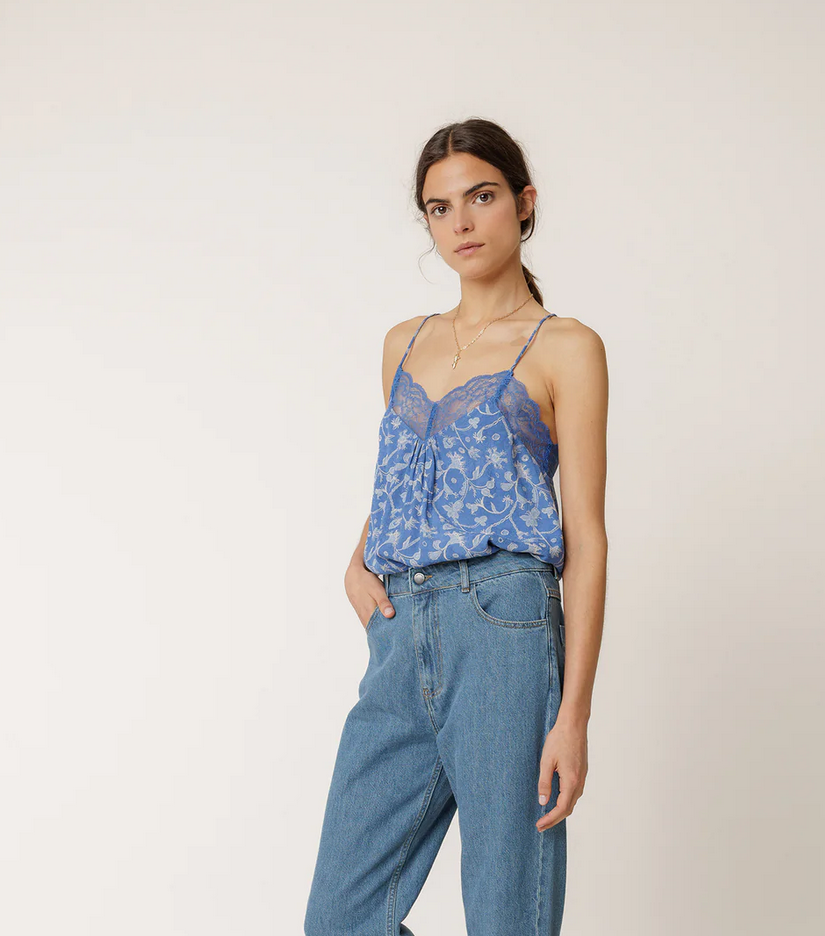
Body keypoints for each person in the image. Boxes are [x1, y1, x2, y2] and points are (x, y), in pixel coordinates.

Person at [304, 117, 609, 936]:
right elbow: (414, 472)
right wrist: (356, 561)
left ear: (524, 203)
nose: (461, 224)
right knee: (340, 918)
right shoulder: (403, 343)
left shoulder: (565, 347)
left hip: (504, 625)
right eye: (439, 209)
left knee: (507, 912)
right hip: (401, 631)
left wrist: (572, 714)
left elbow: (586, 536)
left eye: (480, 197)